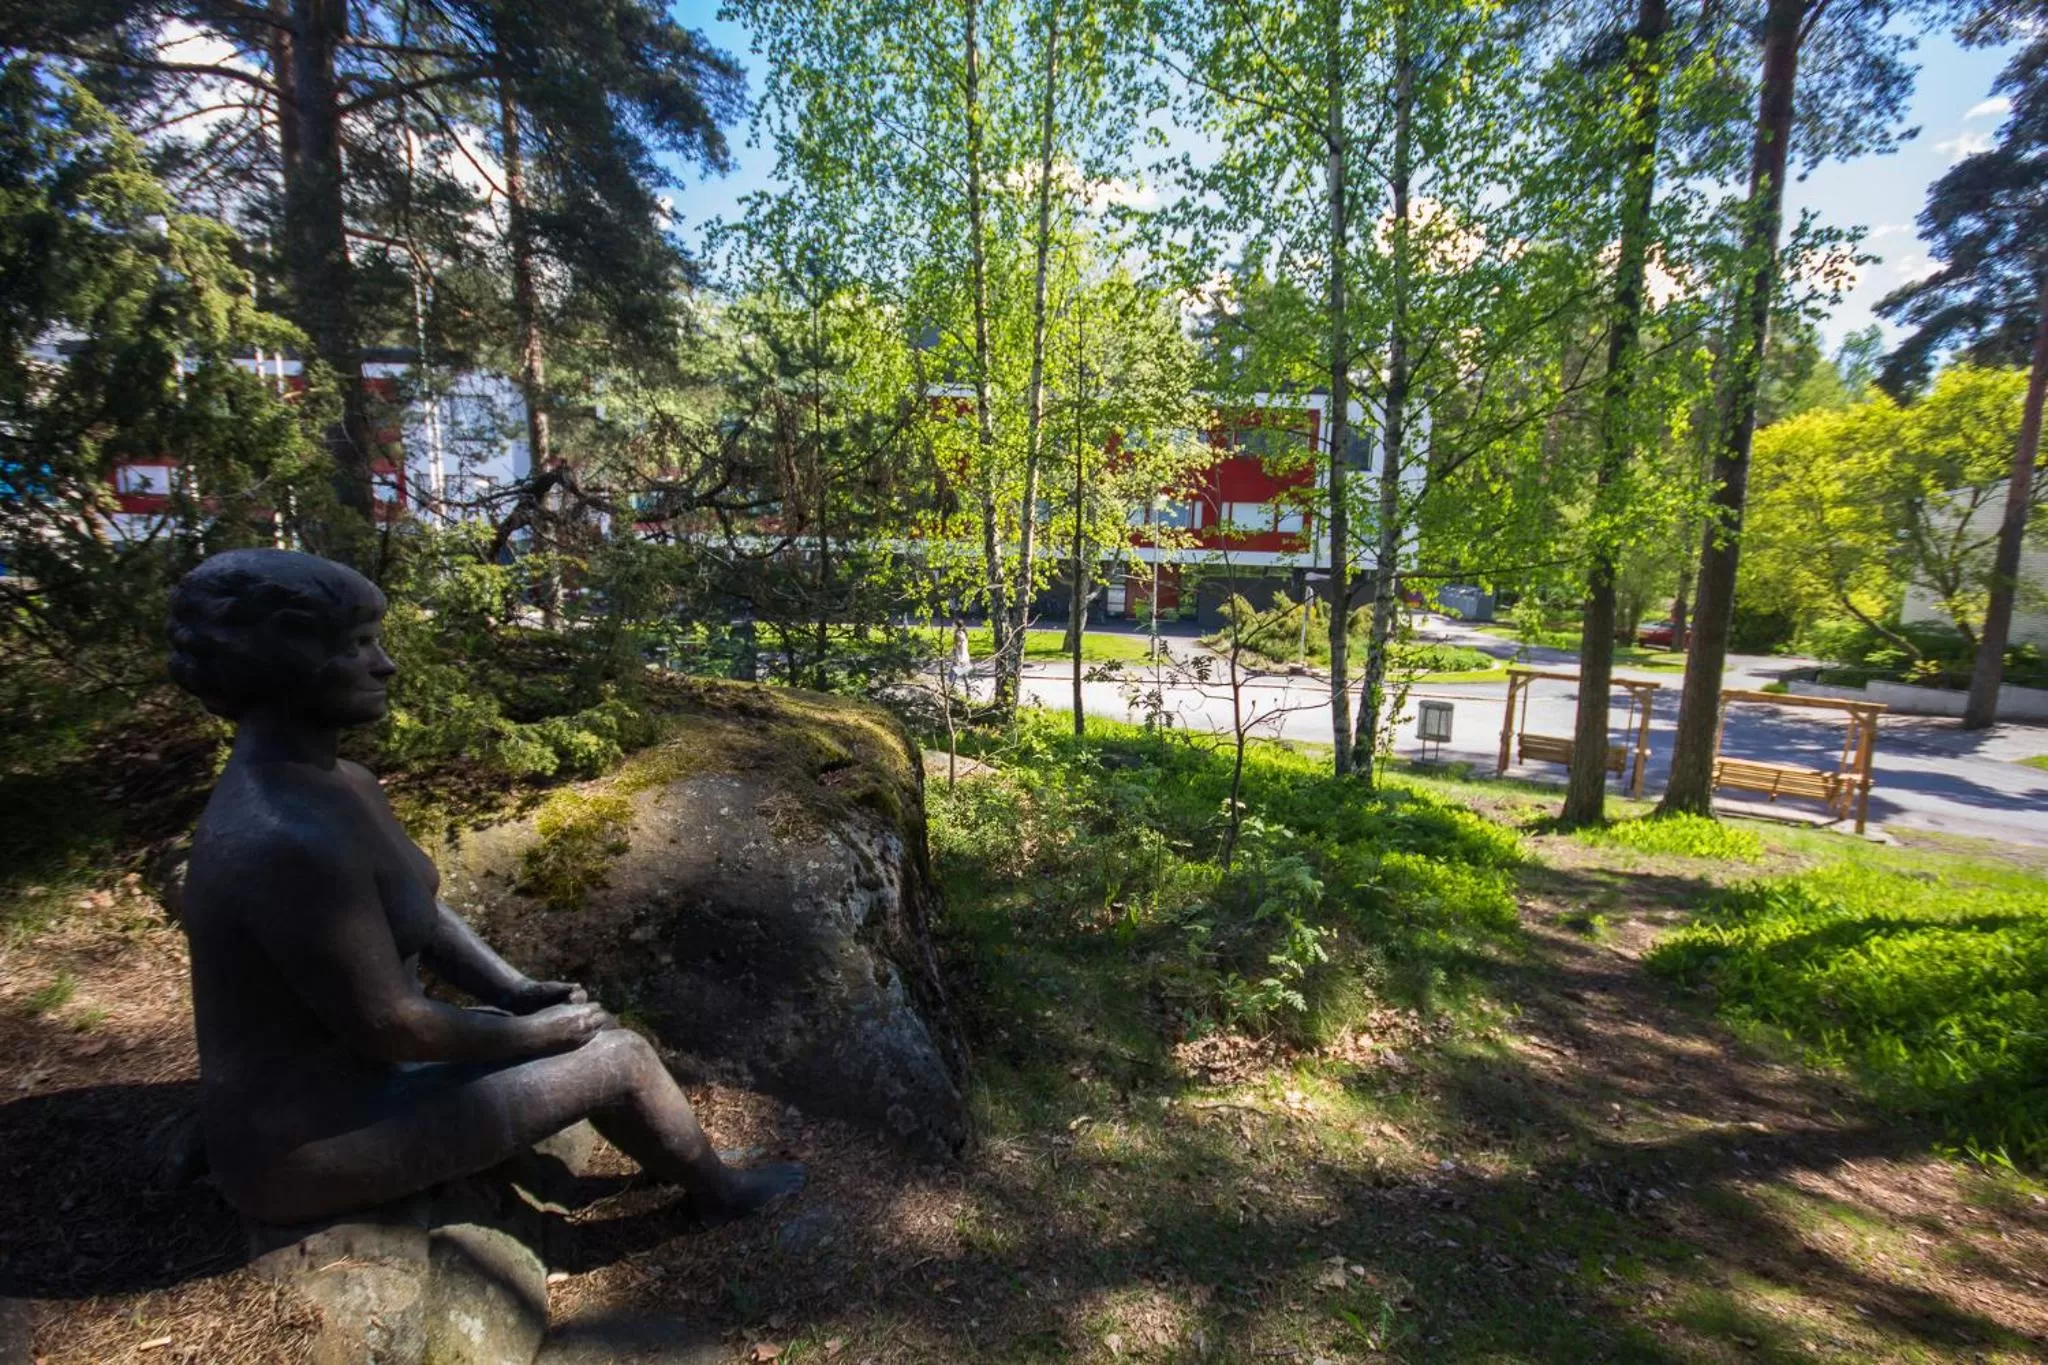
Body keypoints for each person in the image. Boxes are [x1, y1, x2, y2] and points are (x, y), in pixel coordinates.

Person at [168, 549, 804, 1226]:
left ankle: (678, 1154)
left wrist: (514, 990)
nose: (385, 663)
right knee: (618, 1056)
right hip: (306, 1146)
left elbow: (423, 912)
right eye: (358, 645)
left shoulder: (342, 783)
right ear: (284, 662)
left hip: (363, 1088)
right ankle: (722, 1194)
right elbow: (394, 1025)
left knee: (571, 1031)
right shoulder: (285, 836)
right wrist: (538, 1034)